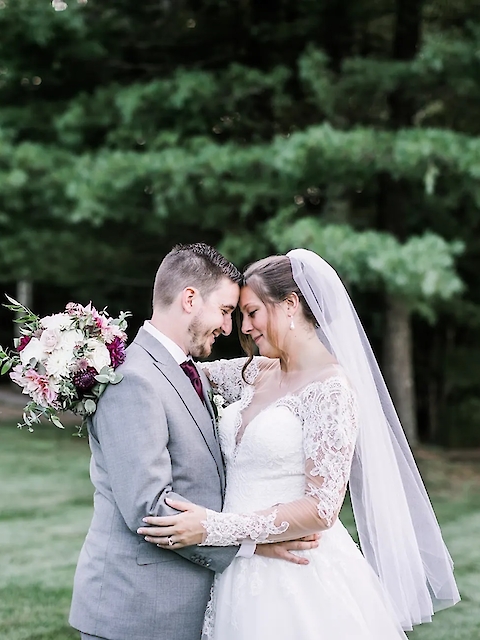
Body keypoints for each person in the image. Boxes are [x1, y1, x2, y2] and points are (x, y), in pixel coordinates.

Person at [139, 249, 460, 640]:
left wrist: (213, 528)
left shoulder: (332, 389)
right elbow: (166, 371)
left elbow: (322, 508)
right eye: (239, 314)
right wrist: (88, 355)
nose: (242, 327)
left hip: (296, 572)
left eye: (252, 312)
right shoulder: (253, 372)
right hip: (235, 567)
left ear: (290, 305)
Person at [70, 243, 318, 640]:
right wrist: (250, 546)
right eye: (223, 311)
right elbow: (150, 509)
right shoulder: (133, 379)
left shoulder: (185, 371)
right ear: (189, 299)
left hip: (182, 605)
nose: (227, 327)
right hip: (138, 613)